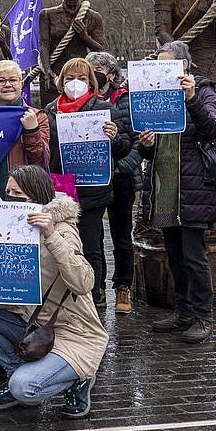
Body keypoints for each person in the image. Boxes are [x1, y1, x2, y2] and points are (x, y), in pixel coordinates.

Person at [0, 165, 107, 419]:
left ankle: (79, 379)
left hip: (74, 333)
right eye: (8, 192)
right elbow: (8, 287)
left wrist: (50, 234)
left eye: (18, 193)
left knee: (24, 389)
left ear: (36, 195)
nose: (11, 198)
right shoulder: (12, 228)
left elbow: (84, 282)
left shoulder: (63, 230)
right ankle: (19, 372)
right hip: (36, 326)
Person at [136, 40, 216, 344]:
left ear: (184, 65)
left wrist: (190, 98)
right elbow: (147, 149)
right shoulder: (154, 94)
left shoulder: (203, 91)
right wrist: (145, 144)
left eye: (168, 65)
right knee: (174, 253)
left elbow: (213, 129)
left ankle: (203, 316)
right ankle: (183, 311)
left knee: (194, 254)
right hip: (165, 185)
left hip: (193, 185)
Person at [44, 57, 132, 306]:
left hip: (93, 185)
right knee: (63, 241)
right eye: (70, 78)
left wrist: (114, 137)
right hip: (62, 185)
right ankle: (67, 294)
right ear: (62, 81)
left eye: (82, 78)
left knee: (92, 243)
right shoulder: (51, 110)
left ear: (91, 82)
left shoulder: (103, 109)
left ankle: (94, 295)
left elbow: (125, 147)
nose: (75, 83)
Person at [87, 50, 143, 314]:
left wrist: (121, 167)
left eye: (98, 70)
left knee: (121, 235)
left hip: (120, 177)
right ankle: (96, 286)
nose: (93, 76)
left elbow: (138, 141)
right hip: (92, 178)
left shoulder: (126, 101)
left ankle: (123, 286)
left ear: (111, 74)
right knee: (92, 235)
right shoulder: (82, 101)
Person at [0, 60, 50, 194]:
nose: (7, 85)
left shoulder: (38, 116)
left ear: (21, 84)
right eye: (1, 81)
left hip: (25, 192)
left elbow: (41, 162)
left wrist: (32, 131)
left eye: (13, 80)